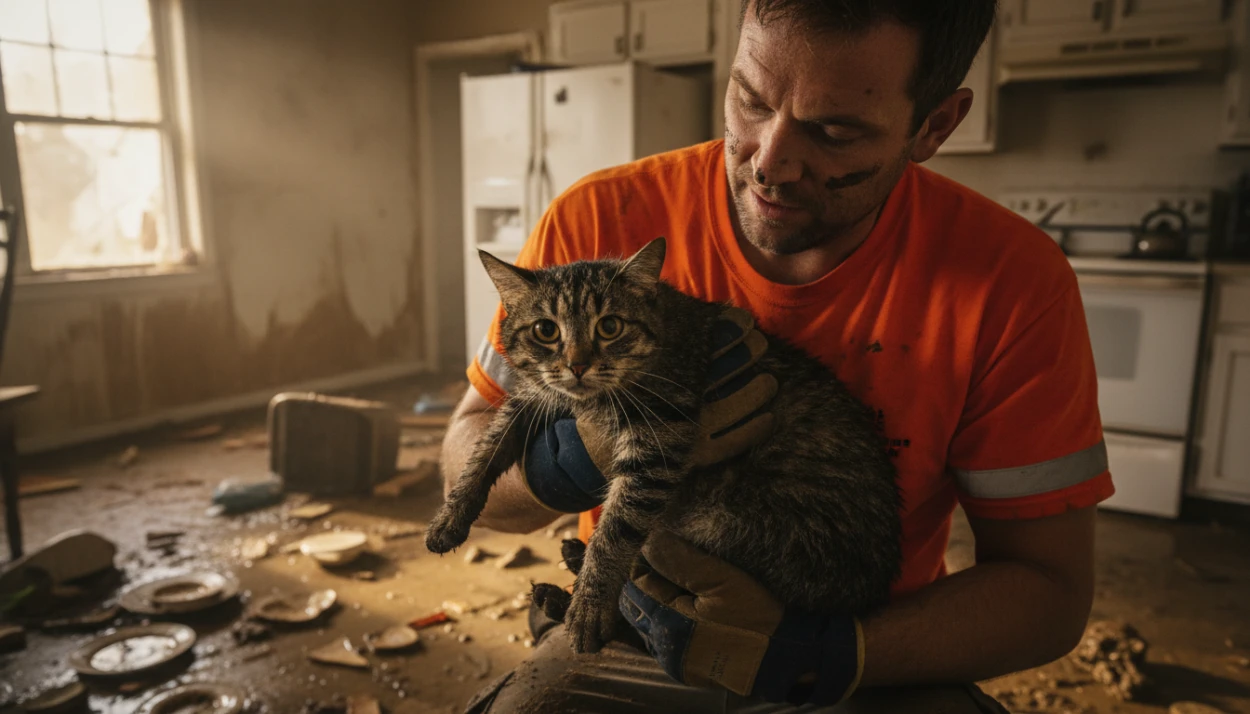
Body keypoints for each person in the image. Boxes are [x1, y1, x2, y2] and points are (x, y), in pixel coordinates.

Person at [441, 0, 1114, 711]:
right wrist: (572, 458)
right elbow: (466, 453)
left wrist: (828, 656)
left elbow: (1052, 592)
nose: (770, 162)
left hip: (872, 645)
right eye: (750, 100)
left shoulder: (1014, 281)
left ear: (935, 125)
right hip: (629, 624)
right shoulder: (596, 221)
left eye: (834, 130)